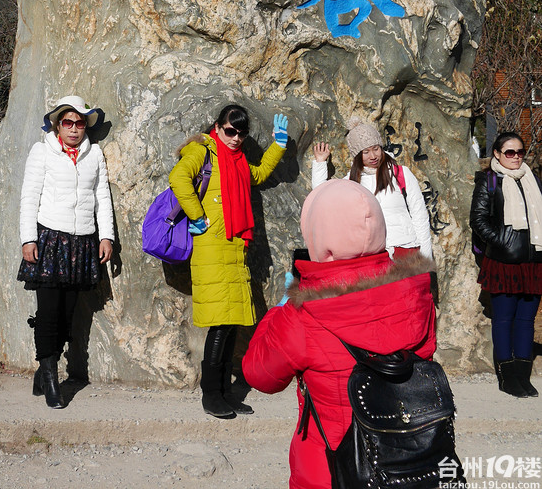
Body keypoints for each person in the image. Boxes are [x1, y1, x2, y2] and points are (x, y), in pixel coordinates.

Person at [242, 179, 437, 489]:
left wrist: (280, 309)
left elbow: (259, 374)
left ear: (322, 239)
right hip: (410, 460)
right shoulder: (416, 292)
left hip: (333, 468)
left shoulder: (304, 313)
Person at [168, 104, 287, 419]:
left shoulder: (237, 160)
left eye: (241, 133)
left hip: (235, 248)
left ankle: (224, 392)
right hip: (212, 248)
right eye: (230, 131)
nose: (235, 138)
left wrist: (278, 144)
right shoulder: (203, 150)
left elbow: (258, 174)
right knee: (221, 323)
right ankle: (211, 394)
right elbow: (179, 178)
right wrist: (197, 216)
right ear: (218, 128)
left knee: (231, 323)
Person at [17, 94, 115, 409]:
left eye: (80, 123)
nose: (74, 129)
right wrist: (27, 239)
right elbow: (29, 196)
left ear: (86, 126)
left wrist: (107, 237)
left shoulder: (94, 154)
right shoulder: (41, 151)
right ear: (58, 125)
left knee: (68, 315)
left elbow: (102, 196)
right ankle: (50, 377)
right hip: (49, 240)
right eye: (68, 122)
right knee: (48, 312)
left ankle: (42, 370)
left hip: (83, 241)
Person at [469, 131, 542, 397]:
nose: (516, 157)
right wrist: (501, 241)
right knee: (503, 320)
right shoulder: (490, 180)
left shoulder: (533, 180)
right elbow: (477, 220)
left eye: (520, 152)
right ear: (497, 154)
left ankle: (523, 375)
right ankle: (506, 377)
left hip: (534, 260)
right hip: (504, 261)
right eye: (509, 152)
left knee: (526, 320)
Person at [312, 119, 432, 260]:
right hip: (372, 255)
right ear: (357, 155)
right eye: (366, 152)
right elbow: (321, 197)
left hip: (405, 249)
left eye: (376, 149)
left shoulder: (400, 173)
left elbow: (420, 216)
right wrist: (320, 163)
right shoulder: (350, 183)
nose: (373, 156)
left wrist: (426, 260)